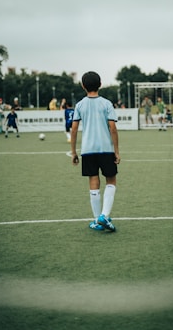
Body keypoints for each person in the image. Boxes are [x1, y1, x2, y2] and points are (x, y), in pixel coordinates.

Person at [71, 71, 120, 232]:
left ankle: (97, 220)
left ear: (83, 86)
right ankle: (104, 216)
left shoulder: (80, 105)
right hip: (105, 149)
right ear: (100, 84)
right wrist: (116, 151)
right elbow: (112, 128)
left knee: (94, 182)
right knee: (111, 180)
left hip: (88, 150)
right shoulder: (106, 103)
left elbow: (74, 129)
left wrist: (74, 152)